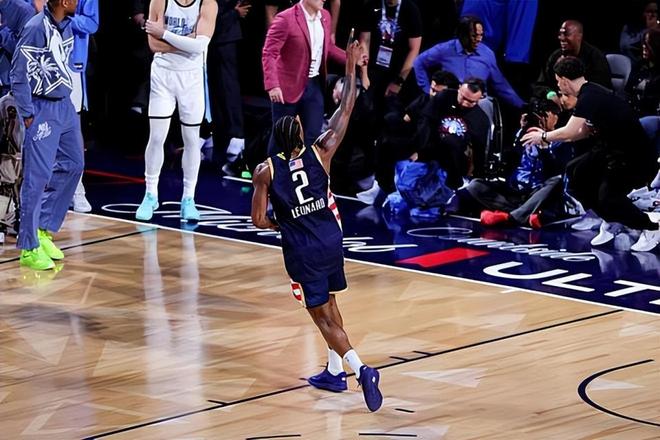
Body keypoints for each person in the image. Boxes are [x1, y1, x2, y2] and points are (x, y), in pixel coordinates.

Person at [251, 37, 383, 412]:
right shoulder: (321, 151)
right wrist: (351, 66)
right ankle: (334, 371)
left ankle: (362, 369)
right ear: (299, 136)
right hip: (331, 237)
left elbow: (258, 219)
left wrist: (280, 223)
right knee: (332, 302)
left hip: (302, 249)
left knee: (321, 316)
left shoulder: (265, 171)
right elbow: (346, 105)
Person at [521, 56, 660, 252]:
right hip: (610, 149)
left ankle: (651, 226)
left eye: (558, 81)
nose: (557, 85)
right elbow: (580, 132)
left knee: (608, 197)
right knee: (575, 172)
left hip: (633, 157)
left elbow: (570, 131)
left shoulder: (590, 97)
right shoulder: (588, 94)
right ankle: (612, 219)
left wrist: (543, 136)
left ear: (564, 80)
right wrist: (550, 138)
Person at [11, 0, 84, 270]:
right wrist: (27, 113)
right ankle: (29, 247)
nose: (79, 2)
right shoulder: (35, 28)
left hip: (64, 105)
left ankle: (43, 229)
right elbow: (18, 73)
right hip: (41, 107)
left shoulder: (67, 25)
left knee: (74, 164)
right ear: (64, 2)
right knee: (36, 177)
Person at [135, 0, 218, 222]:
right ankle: (150, 195)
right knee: (156, 137)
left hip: (192, 79)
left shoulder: (208, 3)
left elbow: (200, 46)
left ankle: (188, 199)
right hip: (163, 75)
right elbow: (154, 44)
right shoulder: (160, 1)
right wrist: (186, 42)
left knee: (191, 139)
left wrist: (164, 34)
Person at [262, 0, 346, 156]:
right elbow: (269, 53)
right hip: (287, 86)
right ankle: (274, 170)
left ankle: (304, 171)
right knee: (282, 137)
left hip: (314, 85)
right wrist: (273, 85)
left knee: (312, 136)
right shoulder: (285, 19)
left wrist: (351, 58)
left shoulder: (325, 17)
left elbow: (328, 47)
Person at [413, 15, 525, 110]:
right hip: (450, 102)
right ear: (463, 35)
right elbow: (418, 62)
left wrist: (522, 105)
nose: (479, 39)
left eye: (481, 35)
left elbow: (501, 85)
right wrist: (428, 91)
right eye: (474, 36)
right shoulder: (445, 49)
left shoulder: (487, 54)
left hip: (479, 104)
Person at [68, 0, 99, 213]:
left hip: (72, 66)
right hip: (41, 61)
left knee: (72, 129)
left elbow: (91, 23)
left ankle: (77, 189)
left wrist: (63, 18)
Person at [533, 20, 612, 100]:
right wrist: (550, 94)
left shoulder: (595, 58)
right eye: (560, 34)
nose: (561, 38)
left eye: (566, 34)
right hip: (558, 102)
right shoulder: (555, 56)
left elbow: (600, 90)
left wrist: (575, 99)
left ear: (579, 36)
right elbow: (540, 85)